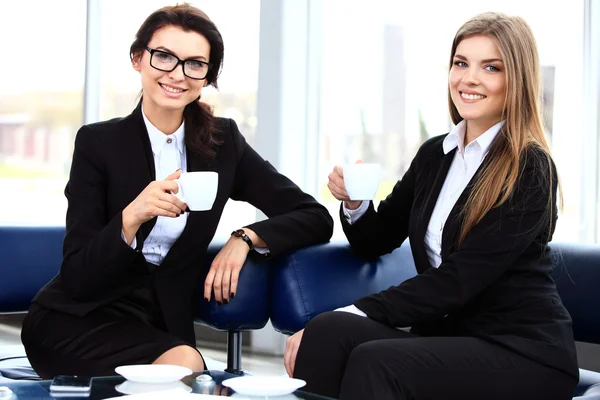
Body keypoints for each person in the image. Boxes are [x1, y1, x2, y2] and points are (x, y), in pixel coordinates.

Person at [21, 3, 333, 379]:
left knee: (181, 367)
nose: (177, 74)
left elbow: (314, 216)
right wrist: (131, 216)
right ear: (138, 59)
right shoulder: (98, 143)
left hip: (163, 326)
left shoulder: (223, 144)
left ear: (206, 76)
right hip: (75, 319)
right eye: (163, 57)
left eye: (194, 64)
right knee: (184, 367)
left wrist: (246, 238)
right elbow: (77, 277)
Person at [284, 12, 578, 400]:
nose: (468, 78)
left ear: (516, 80)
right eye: (461, 63)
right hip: (452, 337)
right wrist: (356, 204)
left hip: (523, 350)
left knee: (375, 359)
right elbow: (376, 239)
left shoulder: (529, 168)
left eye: (491, 67)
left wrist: (355, 309)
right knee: (327, 331)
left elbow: (458, 280)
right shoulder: (435, 154)